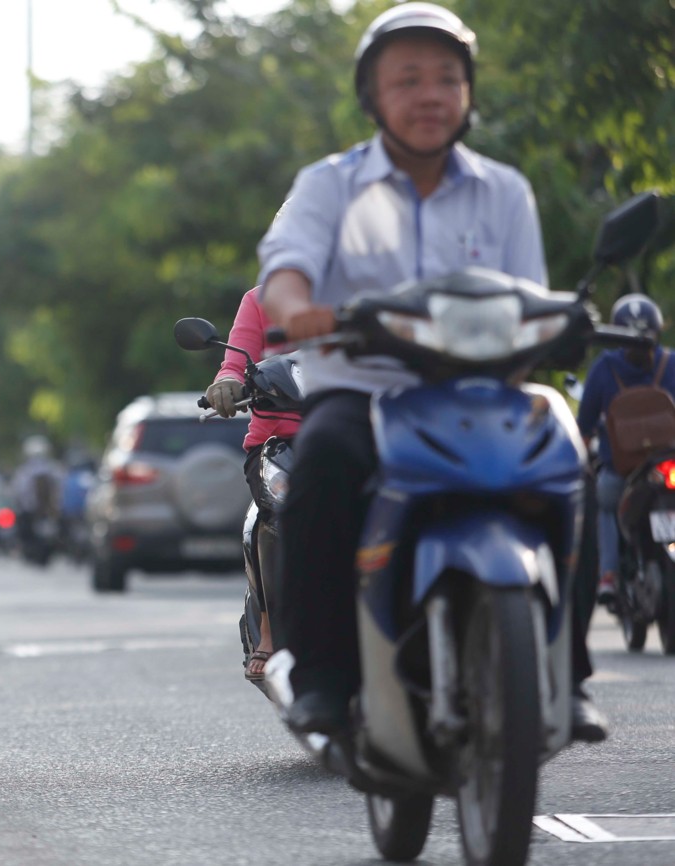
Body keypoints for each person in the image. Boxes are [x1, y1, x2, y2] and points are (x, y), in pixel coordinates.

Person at [257, 3, 607, 740]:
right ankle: (319, 675)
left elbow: (527, 298)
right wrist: (300, 309)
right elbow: (284, 274)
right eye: (406, 79)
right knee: (320, 462)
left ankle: (567, 674)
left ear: (467, 94)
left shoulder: (503, 190)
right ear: (372, 97)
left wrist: (568, 322)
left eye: (446, 79)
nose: (429, 95)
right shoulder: (329, 185)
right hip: (365, 392)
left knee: (567, 459)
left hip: (483, 393)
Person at [205, 286, 301, 683]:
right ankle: (270, 628)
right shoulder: (258, 300)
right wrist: (227, 382)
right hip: (280, 442)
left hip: (367, 431)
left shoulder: (370, 290)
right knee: (278, 503)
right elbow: (234, 362)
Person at [576, 293, 675, 607]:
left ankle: (608, 574)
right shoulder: (671, 363)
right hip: (668, 467)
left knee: (605, 501)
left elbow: (584, 425)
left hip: (622, 469)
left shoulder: (604, 368)